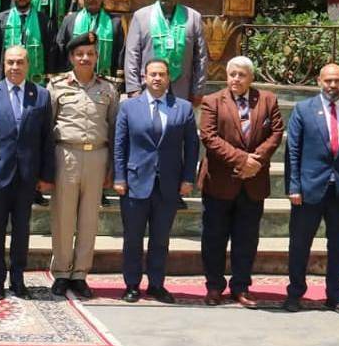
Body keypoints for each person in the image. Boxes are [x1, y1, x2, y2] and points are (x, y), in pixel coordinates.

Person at [283, 63, 339, 316]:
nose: (332, 85)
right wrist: (293, 186)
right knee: (299, 244)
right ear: (319, 81)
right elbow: (293, 151)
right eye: (328, 80)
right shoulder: (303, 110)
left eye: (337, 80)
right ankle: (295, 293)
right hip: (308, 191)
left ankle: (334, 296)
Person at [198, 56, 284, 308]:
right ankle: (214, 286)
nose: (236, 79)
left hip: (253, 182)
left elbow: (276, 132)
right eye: (232, 74)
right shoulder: (212, 101)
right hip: (219, 182)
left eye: (241, 75)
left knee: (246, 239)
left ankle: (241, 286)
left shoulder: (267, 100)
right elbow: (209, 137)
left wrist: (255, 161)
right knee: (214, 238)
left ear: (251, 77)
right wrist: (242, 160)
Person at [113, 58, 200, 304]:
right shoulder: (129, 107)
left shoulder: (183, 108)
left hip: (168, 184)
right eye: (153, 74)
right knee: (133, 238)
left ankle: (156, 284)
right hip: (135, 182)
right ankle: (132, 285)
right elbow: (120, 145)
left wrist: (188, 178)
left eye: (162, 74)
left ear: (169, 78)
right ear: (144, 77)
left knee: (161, 239)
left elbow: (192, 146)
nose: (157, 78)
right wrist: (119, 177)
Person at [0, 46, 54, 298]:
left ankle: (18, 279)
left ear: (28, 65)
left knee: (22, 229)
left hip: (27, 175)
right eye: (10, 62)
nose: (15, 67)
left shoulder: (41, 95)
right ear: (3, 64)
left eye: (20, 62)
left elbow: (46, 139)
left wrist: (46, 175)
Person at [47, 32, 121, 297]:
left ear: (97, 57)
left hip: (97, 156)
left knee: (89, 219)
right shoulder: (56, 86)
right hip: (66, 154)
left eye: (90, 54)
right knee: (63, 217)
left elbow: (114, 128)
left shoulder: (108, 89)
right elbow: (48, 126)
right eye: (79, 54)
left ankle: (80, 274)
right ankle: (62, 272)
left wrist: (112, 166)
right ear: (71, 57)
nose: (85, 58)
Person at [124, 0, 207, 104]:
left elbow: (200, 57)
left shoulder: (193, 18)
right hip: (147, 89)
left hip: (182, 90)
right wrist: (133, 88)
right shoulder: (141, 17)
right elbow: (132, 55)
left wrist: (198, 89)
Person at [55, 0, 125, 79]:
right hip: (73, 81)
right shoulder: (69, 20)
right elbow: (60, 51)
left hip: (104, 81)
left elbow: (120, 55)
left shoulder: (115, 23)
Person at [0, 0, 54, 85]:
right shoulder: (1, 20)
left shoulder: (44, 21)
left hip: (36, 82)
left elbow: (51, 54)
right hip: (6, 81)